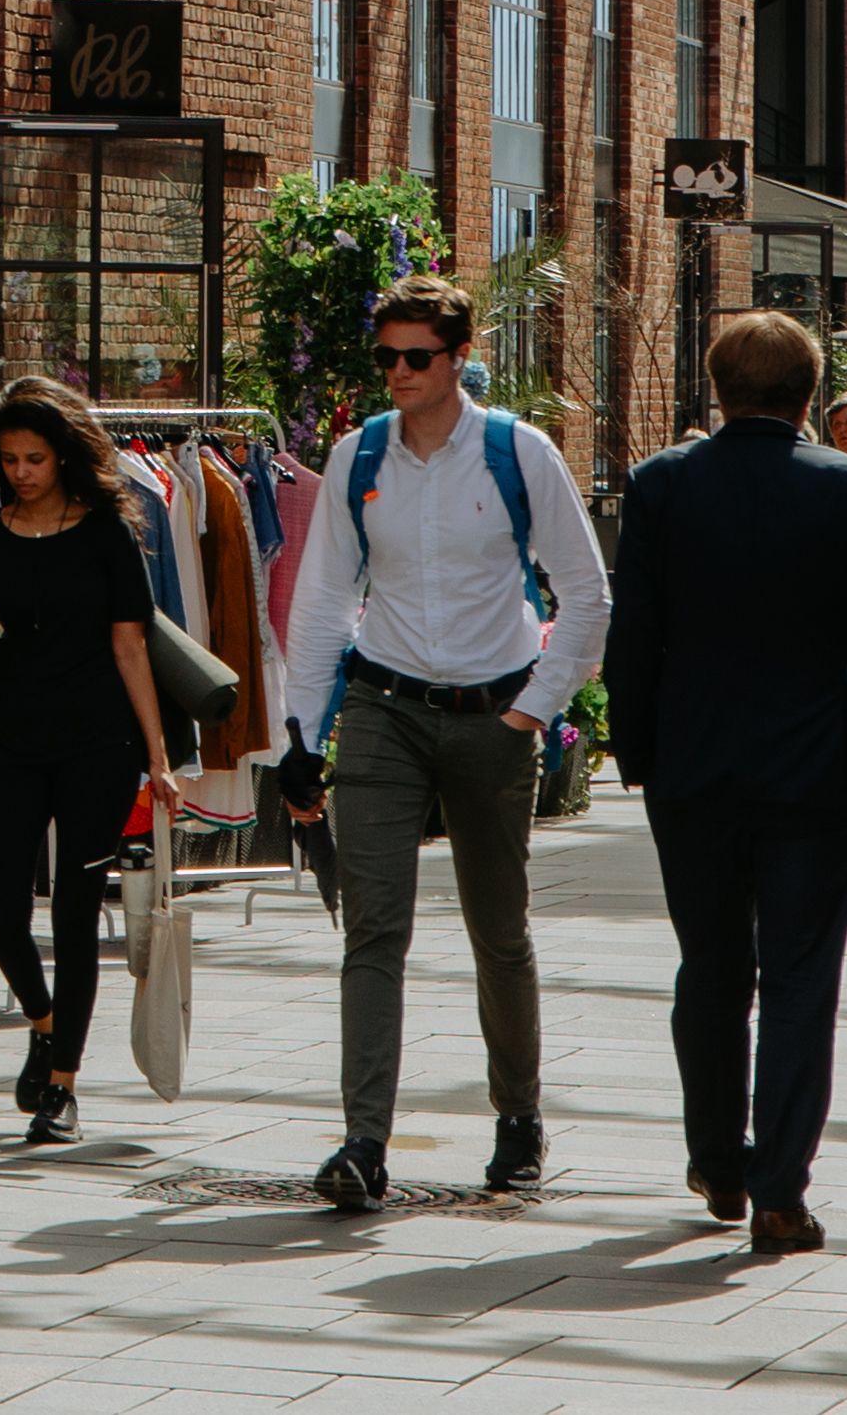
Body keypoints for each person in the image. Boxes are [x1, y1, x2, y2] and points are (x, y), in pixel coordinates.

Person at [270, 279, 607, 1211]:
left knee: (497, 932)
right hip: (383, 706)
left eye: (416, 357)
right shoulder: (358, 455)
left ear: (458, 358)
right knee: (374, 927)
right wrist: (303, 732)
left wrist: (532, 710)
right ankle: (362, 1143)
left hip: (494, 712)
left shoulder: (516, 453)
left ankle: (517, 1118)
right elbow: (325, 600)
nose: (399, 374)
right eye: (386, 358)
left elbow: (585, 594)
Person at [604, 308, 847, 1263]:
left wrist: (637, 751)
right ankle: (781, 1189)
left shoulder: (661, 486)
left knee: (708, 967)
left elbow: (633, 636)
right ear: (811, 394)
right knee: (797, 978)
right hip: (818, 770)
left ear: (717, 386)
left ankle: (717, 1160)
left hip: (693, 768)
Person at [0, 373, 183, 1141]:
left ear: (63, 457)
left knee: (76, 914)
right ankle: (43, 1024)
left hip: (97, 745)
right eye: (8, 459)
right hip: (9, 741)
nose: (21, 473)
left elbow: (131, 647)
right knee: (2, 916)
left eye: (34, 459)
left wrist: (158, 756)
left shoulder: (108, 533)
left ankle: (61, 1087)